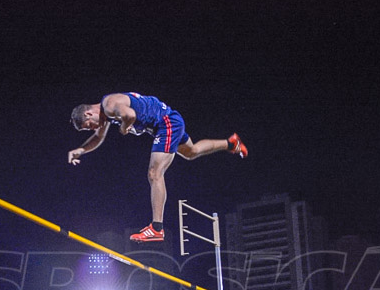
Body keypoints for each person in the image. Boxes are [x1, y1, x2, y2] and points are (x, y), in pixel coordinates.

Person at [68, 92, 247, 243]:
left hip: (166, 123)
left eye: (89, 126)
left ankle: (156, 228)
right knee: (191, 152)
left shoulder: (109, 105)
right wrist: (80, 149)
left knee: (154, 173)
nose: (93, 128)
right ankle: (231, 144)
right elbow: (98, 138)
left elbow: (129, 115)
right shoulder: (105, 114)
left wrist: (124, 127)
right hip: (167, 122)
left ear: (88, 114)